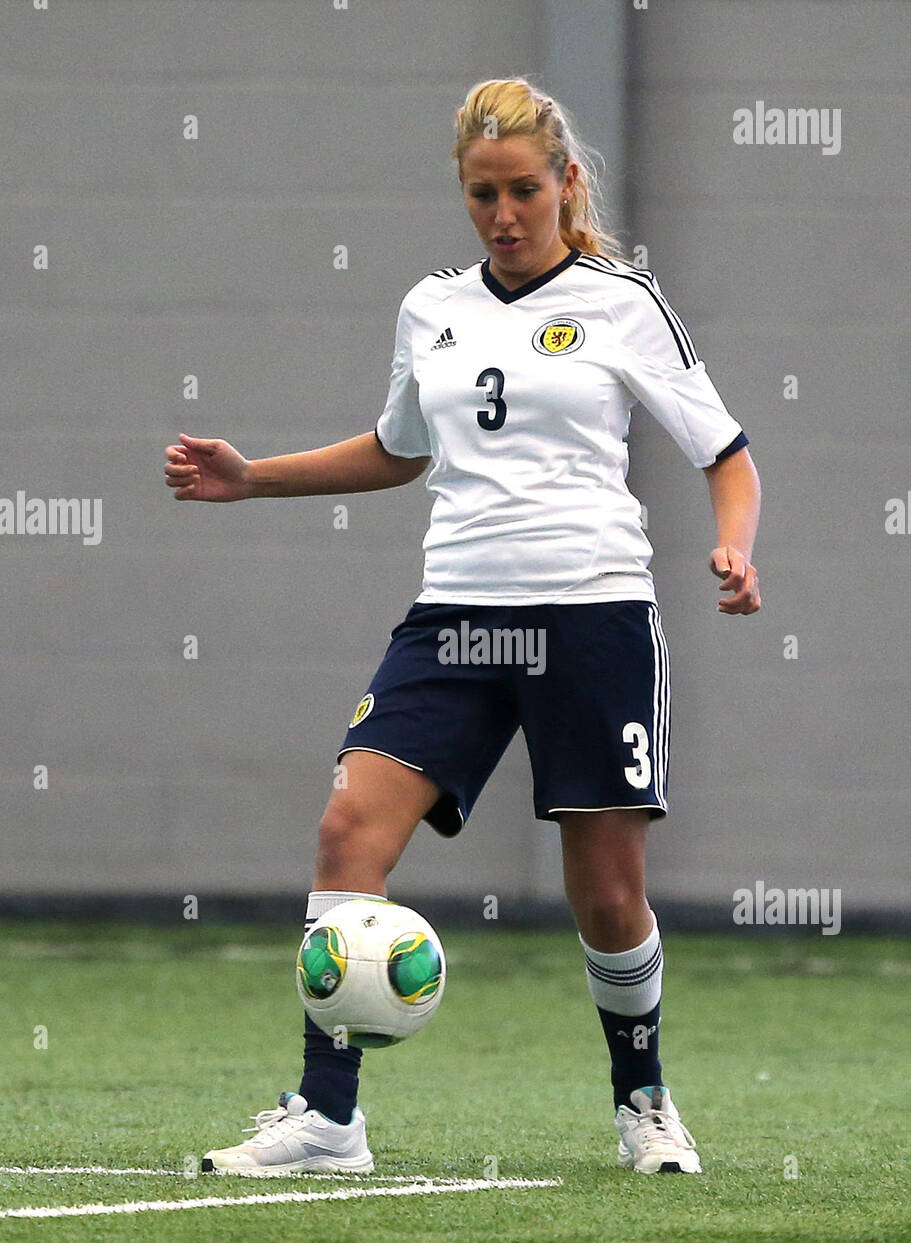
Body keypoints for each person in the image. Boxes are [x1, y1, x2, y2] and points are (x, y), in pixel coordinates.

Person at [164, 77, 761, 1178]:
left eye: (523, 189)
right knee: (349, 830)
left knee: (607, 890)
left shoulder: (622, 302)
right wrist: (252, 480)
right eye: (481, 193)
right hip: (455, 616)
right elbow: (399, 450)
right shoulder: (428, 306)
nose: (502, 213)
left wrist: (734, 546)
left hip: (590, 613)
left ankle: (643, 1102)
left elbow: (724, 451)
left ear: (565, 183)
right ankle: (327, 1119)